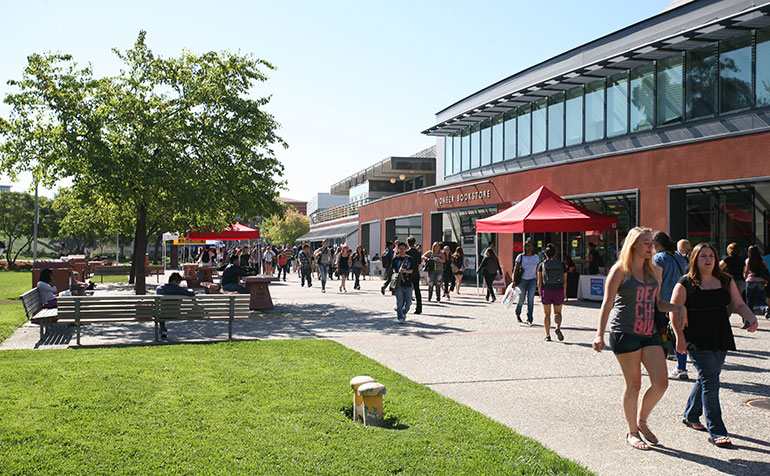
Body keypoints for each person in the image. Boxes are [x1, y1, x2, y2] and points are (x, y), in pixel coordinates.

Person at [592, 227, 685, 450]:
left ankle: (642, 420)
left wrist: (678, 307)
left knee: (661, 382)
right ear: (633, 244)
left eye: (651, 243)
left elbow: (657, 304)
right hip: (625, 333)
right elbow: (608, 303)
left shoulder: (655, 271)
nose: (650, 247)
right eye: (645, 243)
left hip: (650, 332)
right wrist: (599, 334)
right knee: (634, 385)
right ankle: (632, 432)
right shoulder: (620, 271)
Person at [671, 243, 758, 447]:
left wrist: (751, 318)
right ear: (694, 259)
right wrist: (679, 337)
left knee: (707, 378)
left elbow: (738, 304)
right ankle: (716, 430)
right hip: (696, 337)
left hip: (720, 335)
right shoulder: (686, 283)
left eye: (711, 255)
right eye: (702, 256)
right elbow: (675, 311)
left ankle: (691, 415)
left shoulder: (725, 280)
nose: (708, 259)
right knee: (711, 380)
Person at [651, 231, 689, 380]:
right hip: (680, 300)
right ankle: (682, 367)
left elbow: (657, 281)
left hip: (664, 301)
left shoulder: (658, 258)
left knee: (660, 335)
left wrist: (655, 299)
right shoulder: (680, 257)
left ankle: (659, 368)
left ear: (657, 245)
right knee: (679, 334)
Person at [537, 244, 567, 342]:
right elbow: (565, 280)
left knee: (547, 314)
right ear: (555, 254)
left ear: (545, 254)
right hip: (558, 289)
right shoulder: (561, 264)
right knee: (558, 312)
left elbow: (539, 281)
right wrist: (564, 292)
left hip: (547, 290)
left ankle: (547, 335)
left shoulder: (542, 265)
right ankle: (557, 327)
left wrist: (541, 292)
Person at [155, 272, 195, 339]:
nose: (179, 284)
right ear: (174, 281)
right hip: (176, 313)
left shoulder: (159, 289)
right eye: (178, 282)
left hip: (163, 314)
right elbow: (191, 293)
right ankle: (163, 331)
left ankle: (163, 331)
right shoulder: (176, 288)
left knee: (160, 312)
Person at [514, 240, 539, 324]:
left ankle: (530, 318)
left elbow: (537, 270)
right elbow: (516, 269)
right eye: (527, 246)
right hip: (522, 280)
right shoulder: (520, 256)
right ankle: (518, 313)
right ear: (524, 247)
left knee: (531, 299)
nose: (529, 247)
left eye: (531, 246)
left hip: (533, 279)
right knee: (522, 298)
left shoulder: (536, 257)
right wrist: (514, 281)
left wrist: (538, 281)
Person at [392, 241, 417, 323]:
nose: (402, 250)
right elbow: (393, 270)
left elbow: (413, 270)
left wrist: (405, 271)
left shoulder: (410, 259)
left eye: (403, 248)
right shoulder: (395, 259)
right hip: (399, 283)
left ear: (406, 249)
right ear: (398, 249)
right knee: (399, 302)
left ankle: (403, 312)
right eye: (400, 249)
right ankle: (400, 317)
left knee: (409, 302)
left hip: (408, 283)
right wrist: (397, 272)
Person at [743, 245, 768, 317]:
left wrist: (745, 278)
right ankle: (764, 308)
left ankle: (750, 315)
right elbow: (765, 270)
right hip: (761, 281)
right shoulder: (762, 260)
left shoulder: (748, 260)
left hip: (750, 280)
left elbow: (746, 271)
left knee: (749, 300)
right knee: (760, 298)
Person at [405, 237, 423, 314]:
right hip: (416, 273)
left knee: (406, 290)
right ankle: (419, 308)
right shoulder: (418, 253)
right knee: (417, 290)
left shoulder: (407, 253)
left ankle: (405, 306)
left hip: (408, 273)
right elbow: (419, 265)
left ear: (407, 243)